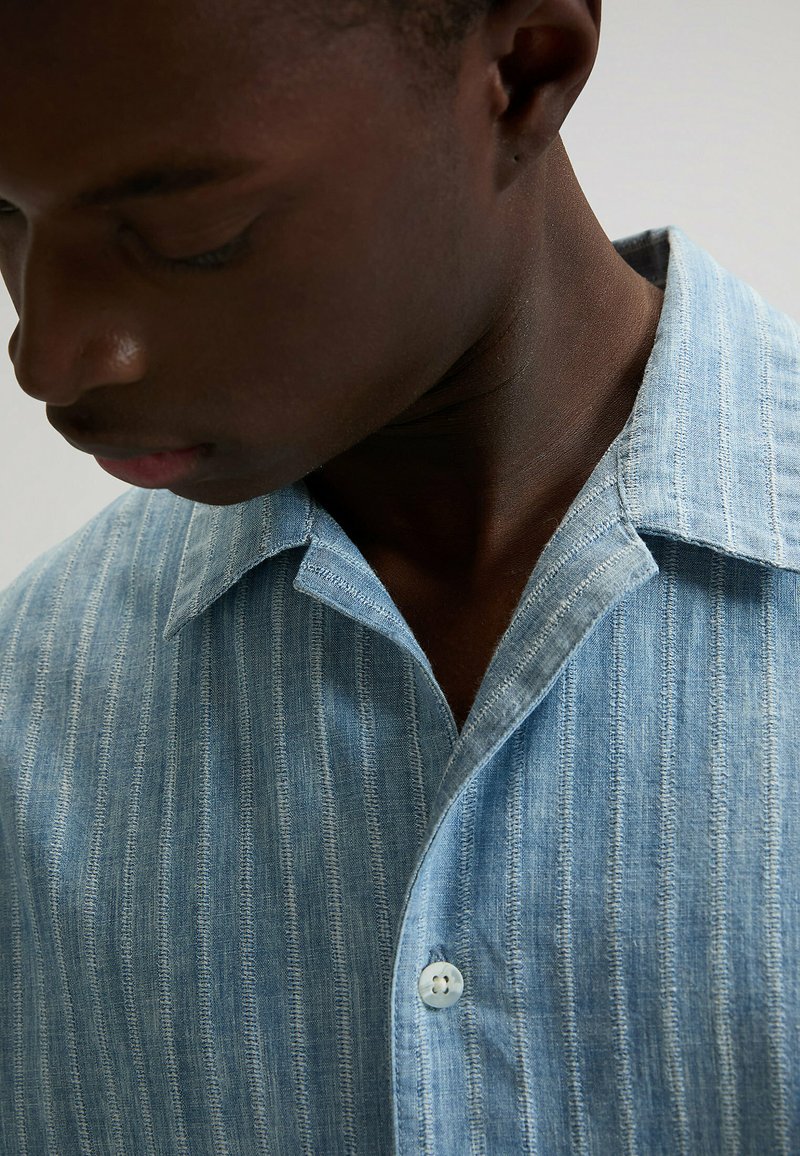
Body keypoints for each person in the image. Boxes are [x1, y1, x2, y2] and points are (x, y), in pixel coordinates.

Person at [0, 0, 797, 1151]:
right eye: (3, 215)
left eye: (191, 231)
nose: (45, 356)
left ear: (524, 69)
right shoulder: (23, 716)